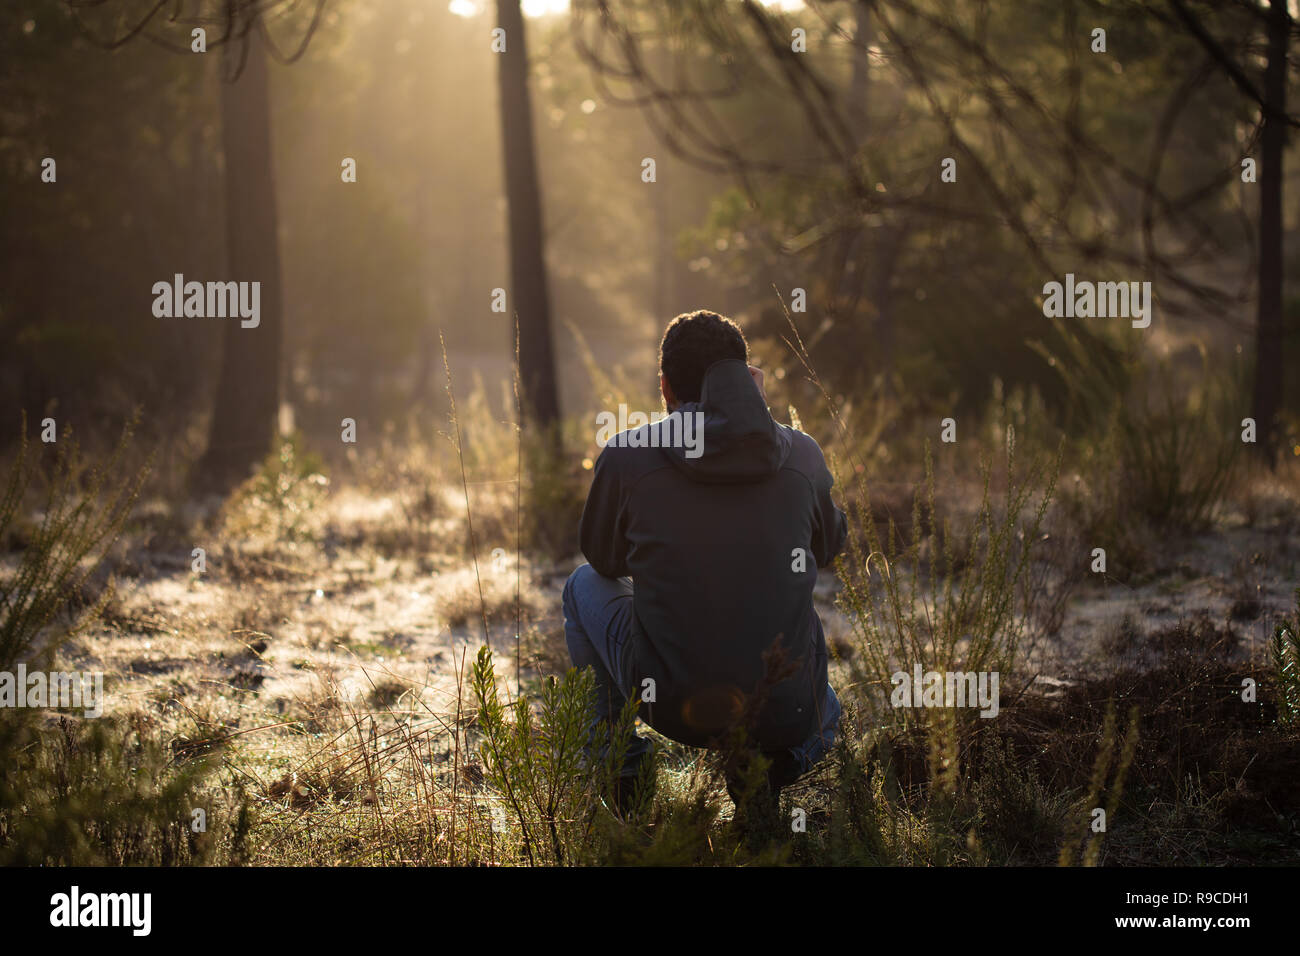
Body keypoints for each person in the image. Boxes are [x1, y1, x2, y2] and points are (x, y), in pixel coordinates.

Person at [562, 309, 848, 825]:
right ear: (745, 379)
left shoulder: (628, 455)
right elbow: (830, 545)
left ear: (665, 387)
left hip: (669, 702)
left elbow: (603, 561)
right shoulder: (801, 456)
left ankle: (622, 771)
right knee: (828, 710)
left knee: (581, 585)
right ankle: (774, 765)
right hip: (784, 707)